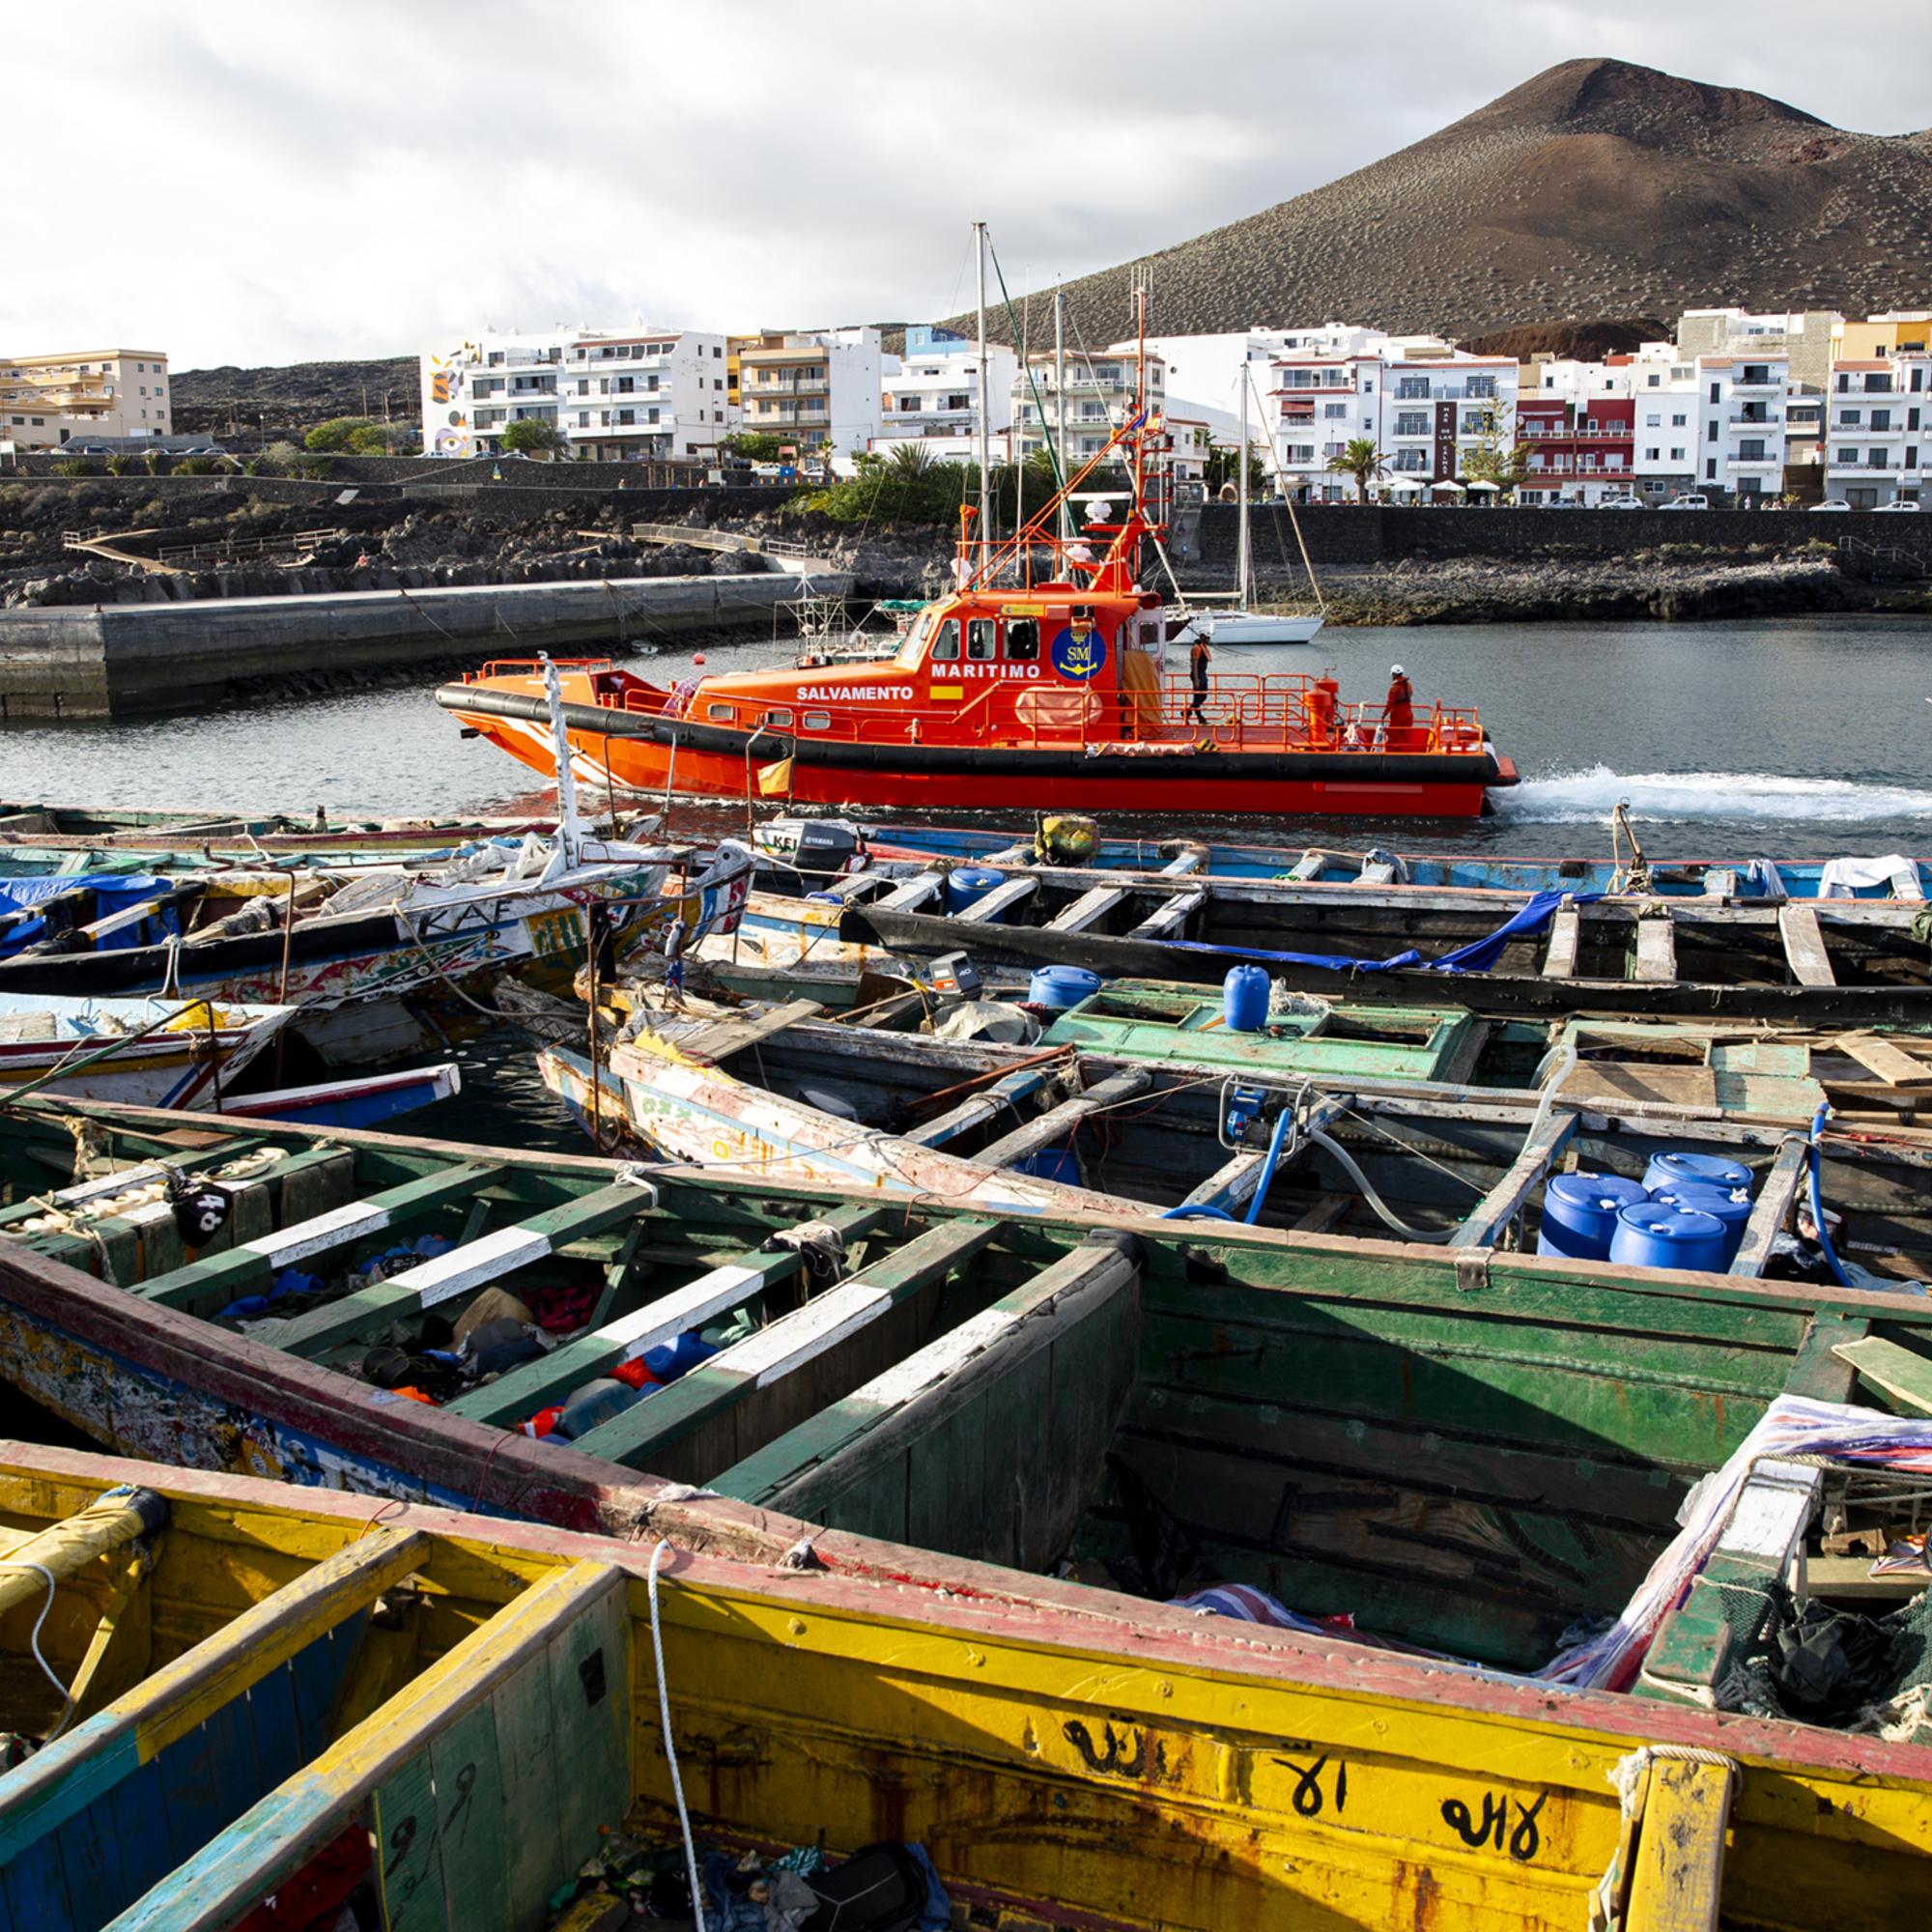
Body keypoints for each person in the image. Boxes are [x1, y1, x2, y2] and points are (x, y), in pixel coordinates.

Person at [1384, 664, 1416, 752]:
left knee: (1394, 733)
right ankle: (1406, 752)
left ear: (1394, 674)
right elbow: (1411, 694)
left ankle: (1394, 752)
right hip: (1408, 713)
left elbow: (1390, 703)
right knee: (1406, 733)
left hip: (1398, 714)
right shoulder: (1409, 685)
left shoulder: (1394, 688)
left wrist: (1384, 714)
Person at [1188, 631, 1212, 724]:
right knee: (1198, 697)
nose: (1208, 640)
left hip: (1202, 673)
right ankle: (1198, 717)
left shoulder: (1203, 647)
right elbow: (1194, 664)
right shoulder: (1197, 648)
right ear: (1202, 637)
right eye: (1207, 638)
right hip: (1198, 674)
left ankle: (1189, 713)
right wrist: (1196, 679)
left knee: (1203, 696)